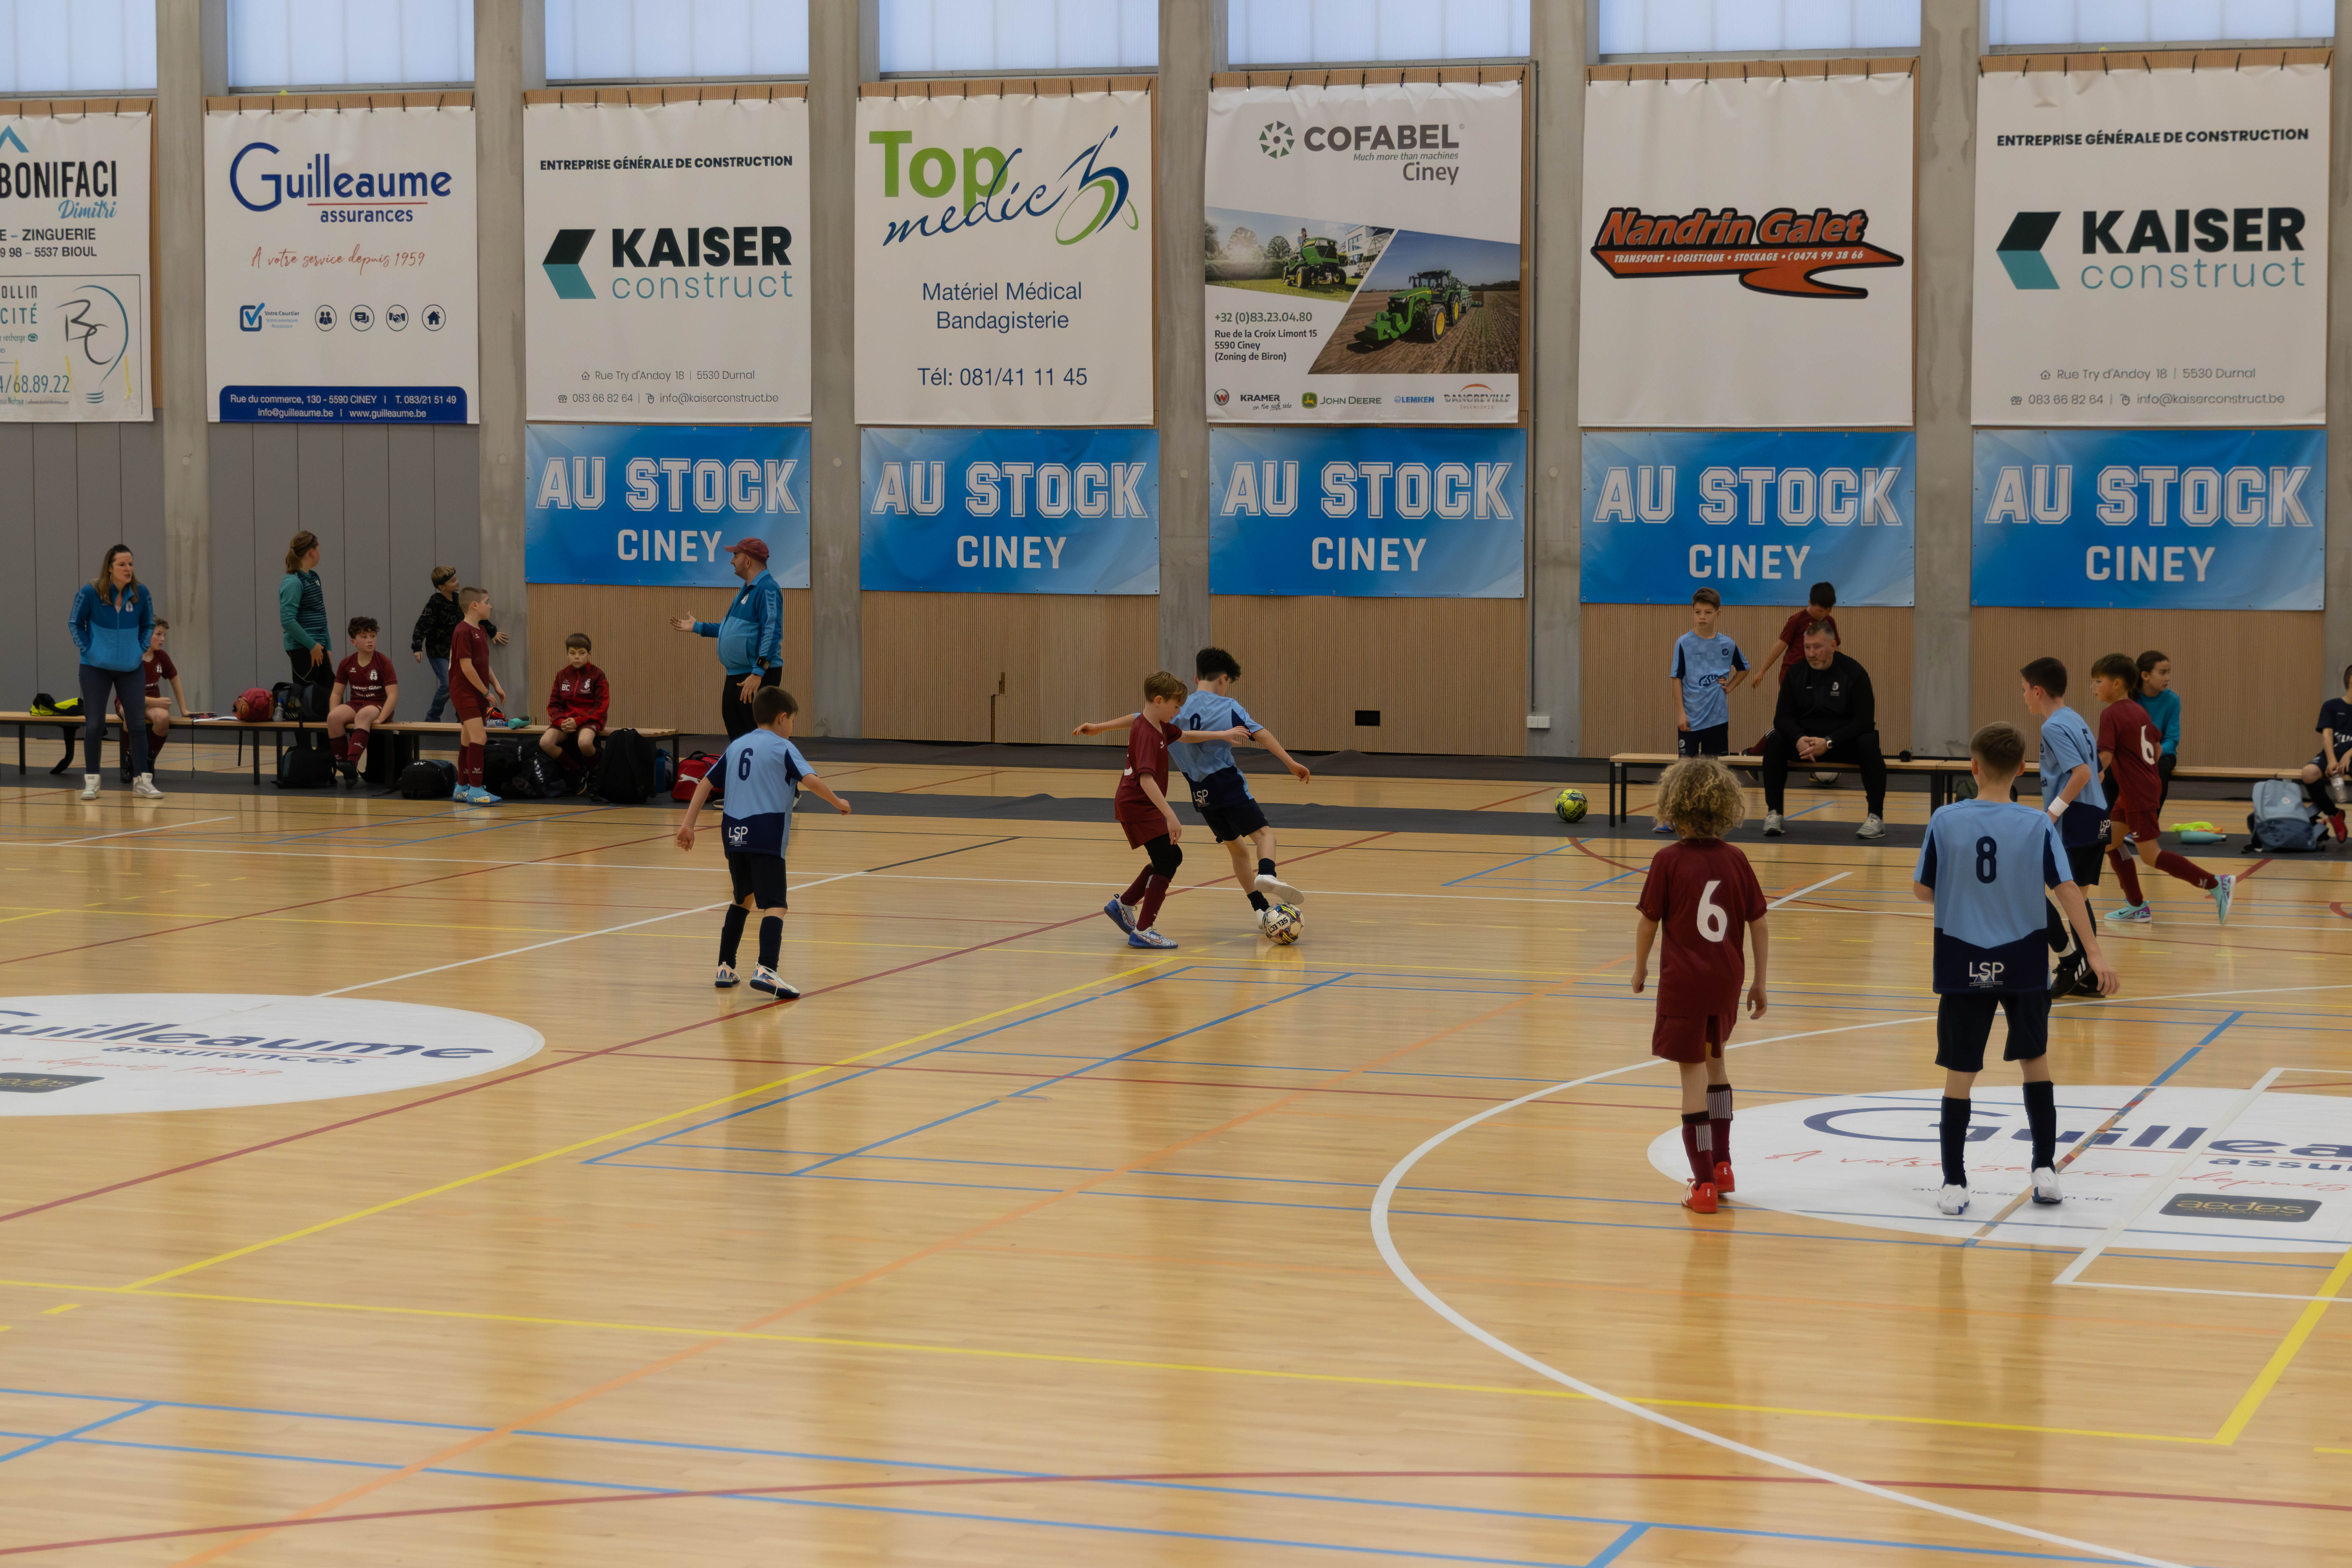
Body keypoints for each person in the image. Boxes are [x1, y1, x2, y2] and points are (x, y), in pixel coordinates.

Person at [1913, 721, 2118, 1218]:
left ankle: (1954, 1181)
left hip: (1962, 955)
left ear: (1973, 766)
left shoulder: (1945, 819)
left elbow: (1923, 889)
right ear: (2023, 769)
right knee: (2036, 1061)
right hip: (2024, 957)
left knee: (1961, 1071)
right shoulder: (2037, 824)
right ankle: (2045, 1170)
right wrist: (2093, 953)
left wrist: (1966, 896)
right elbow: (2066, 890)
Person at [1631, 758, 1769, 1216]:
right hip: (1726, 980)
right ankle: (1724, 1165)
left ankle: (1704, 1184)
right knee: (1717, 1065)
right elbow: (1759, 922)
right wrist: (1760, 981)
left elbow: (1648, 922)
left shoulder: (1667, 860)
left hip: (1684, 984)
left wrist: (1639, 969)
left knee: (1691, 1077)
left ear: (1674, 805)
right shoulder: (1736, 858)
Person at [675, 686, 851, 998]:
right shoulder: (783, 747)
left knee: (743, 899)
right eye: (793, 720)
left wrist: (688, 825)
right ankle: (767, 969)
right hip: (766, 832)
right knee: (776, 904)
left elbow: (705, 783)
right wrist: (838, 802)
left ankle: (725, 967)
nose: (792, 727)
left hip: (733, 833)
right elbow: (810, 781)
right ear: (782, 718)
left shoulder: (737, 746)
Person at [1071, 672, 1252, 951]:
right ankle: (1143, 930)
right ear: (1159, 701)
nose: (1178, 712)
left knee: (1170, 857)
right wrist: (1171, 816)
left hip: (1139, 804)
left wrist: (1221, 734)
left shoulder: (1156, 724)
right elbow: (1146, 780)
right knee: (1167, 861)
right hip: (1138, 805)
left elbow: (1184, 735)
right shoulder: (1147, 733)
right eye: (1176, 706)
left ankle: (1124, 905)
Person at [1157, 646, 1312, 933]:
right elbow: (1260, 734)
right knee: (1265, 836)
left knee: (1237, 850)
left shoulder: (1175, 710)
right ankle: (1267, 873)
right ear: (1224, 679)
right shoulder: (1229, 707)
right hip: (1227, 783)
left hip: (1200, 793)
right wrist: (1290, 763)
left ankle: (1259, 909)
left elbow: (1142, 721)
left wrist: (1099, 728)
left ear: (1196, 678)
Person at [2091, 653, 2231, 925]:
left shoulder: (2111, 714)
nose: (2094, 687)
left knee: (2151, 856)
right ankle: (2136, 906)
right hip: (2136, 790)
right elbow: (2156, 749)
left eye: (2098, 681)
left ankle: (2216, 884)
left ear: (2117, 684)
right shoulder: (2138, 710)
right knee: (2108, 842)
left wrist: (2086, 779)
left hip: (2138, 793)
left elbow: (2105, 756)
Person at [2020, 657, 2108, 998]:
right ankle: (2087, 975)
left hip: (2076, 819)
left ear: (2038, 691)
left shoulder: (2053, 726)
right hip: (2095, 814)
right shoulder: (2075, 717)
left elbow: (2083, 773)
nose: (2023, 696)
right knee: (2078, 898)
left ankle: (2078, 966)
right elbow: (2097, 772)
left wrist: (2052, 814)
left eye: (2024, 689)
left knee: (2051, 892)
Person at [1760, 622, 1885, 840]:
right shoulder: (1796, 673)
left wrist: (1829, 742)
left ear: (1834, 645)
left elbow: (1864, 721)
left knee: (1869, 742)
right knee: (1775, 741)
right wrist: (1798, 739)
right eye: (1807, 647)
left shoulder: (1854, 672)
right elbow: (1782, 717)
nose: (1811, 653)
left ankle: (1876, 817)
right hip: (1806, 745)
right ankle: (1774, 812)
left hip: (1841, 743)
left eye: (1817, 647)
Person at [669, 538, 784, 747]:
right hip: (737, 674)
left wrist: (759, 673)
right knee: (737, 735)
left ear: (748, 561)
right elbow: (730, 629)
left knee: (755, 737)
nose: (732, 561)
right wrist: (698, 627)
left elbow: (772, 632)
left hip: (755, 674)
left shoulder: (767, 588)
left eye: (735, 556)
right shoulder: (747, 589)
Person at [68, 542, 160, 801]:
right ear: (110, 568)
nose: (128, 569)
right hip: (95, 668)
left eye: (131, 564)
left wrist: (139, 649)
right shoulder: (90, 592)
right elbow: (75, 623)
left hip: (131, 668)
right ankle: (92, 782)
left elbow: (148, 625)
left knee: (138, 724)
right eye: (122, 564)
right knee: (95, 725)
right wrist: (90, 650)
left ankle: (143, 781)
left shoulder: (141, 593)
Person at [1664, 588, 1748, 833]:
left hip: (1717, 719)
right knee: (1684, 770)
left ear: (1718, 614)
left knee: (1715, 772)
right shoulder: (1684, 643)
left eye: (1708, 613)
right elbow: (1676, 678)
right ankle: (1672, 817)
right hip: (1691, 717)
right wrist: (1681, 713)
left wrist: (1729, 687)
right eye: (1698, 612)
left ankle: (1713, 818)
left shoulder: (1727, 644)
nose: (1702, 617)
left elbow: (1744, 668)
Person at [1746, 581, 1840, 785]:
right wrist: (1762, 671)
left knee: (1815, 721)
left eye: (1828, 610)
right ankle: (1753, 754)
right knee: (1790, 721)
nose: (1824, 614)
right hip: (1793, 678)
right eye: (1820, 610)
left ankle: (1814, 766)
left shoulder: (1829, 622)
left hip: (1818, 680)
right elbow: (1780, 646)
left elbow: (1834, 649)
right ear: (1810, 603)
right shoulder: (1798, 620)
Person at [410, 566, 508, 722]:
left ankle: (462, 718)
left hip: (455, 652)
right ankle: (432, 719)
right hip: (438, 651)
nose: (457, 582)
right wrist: (417, 647)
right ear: (442, 587)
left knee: (463, 684)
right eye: (453, 581)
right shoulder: (436, 602)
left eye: (456, 578)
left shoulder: (458, 600)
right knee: (447, 685)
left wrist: (492, 631)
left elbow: (476, 616)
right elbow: (423, 624)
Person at [447, 587, 508, 805]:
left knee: (468, 739)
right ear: (475, 605)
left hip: (476, 692)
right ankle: (475, 790)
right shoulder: (462, 631)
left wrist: (497, 686)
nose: (490, 606)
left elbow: (483, 664)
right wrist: (485, 692)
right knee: (480, 738)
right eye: (487, 602)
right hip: (464, 693)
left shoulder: (481, 630)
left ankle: (461, 787)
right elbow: (466, 667)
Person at [328, 617, 398, 786]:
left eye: (373, 636)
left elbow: (393, 695)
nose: (370, 641)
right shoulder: (347, 663)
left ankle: (352, 763)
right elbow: (336, 693)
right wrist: (334, 711)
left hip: (378, 705)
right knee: (333, 718)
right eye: (365, 637)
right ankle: (346, 769)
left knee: (363, 715)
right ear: (354, 641)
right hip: (356, 703)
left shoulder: (383, 662)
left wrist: (381, 718)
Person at [279, 531, 332, 720]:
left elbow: (321, 616)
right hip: (304, 649)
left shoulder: (314, 577)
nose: (320, 554)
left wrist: (327, 647)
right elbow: (288, 621)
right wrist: (312, 645)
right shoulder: (293, 582)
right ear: (311, 552)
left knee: (328, 696)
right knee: (305, 699)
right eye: (318, 549)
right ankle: (303, 740)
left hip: (318, 647)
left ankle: (326, 740)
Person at [2297, 663, 2352, 842]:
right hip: (2333, 754)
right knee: (2309, 773)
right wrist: (2332, 761)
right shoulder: (2332, 706)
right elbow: (2327, 735)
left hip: (2351, 756)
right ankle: (2334, 814)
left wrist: (2349, 754)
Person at [540, 633, 609, 775]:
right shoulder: (562, 675)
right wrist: (561, 722)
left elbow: (601, 706)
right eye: (572, 653)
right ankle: (578, 773)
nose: (577, 657)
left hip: (589, 720)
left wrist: (578, 721)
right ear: (567, 655)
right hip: (565, 721)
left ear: (589, 654)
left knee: (585, 743)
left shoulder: (597, 675)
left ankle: (598, 770)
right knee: (546, 743)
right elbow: (554, 705)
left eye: (581, 653)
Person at [125, 619, 185, 781]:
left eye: (164, 635)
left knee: (163, 717)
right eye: (158, 634)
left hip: (150, 702)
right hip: (128, 701)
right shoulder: (132, 655)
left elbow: (175, 679)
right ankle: (129, 759)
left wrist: (184, 710)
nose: (163, 639)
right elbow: (128, 694)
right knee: (131, 715)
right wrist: (155, 703)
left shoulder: (161, 656)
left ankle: (149, 760)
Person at [2135, 650, 2179, 809]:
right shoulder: (2131, 698)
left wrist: (2154, 753)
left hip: (2162, 755)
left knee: (2160, 772)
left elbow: (2172, 739)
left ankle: (2152, 820)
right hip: (2134, 753)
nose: (2168, 678)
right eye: (2162, 673)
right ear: (2145, 676)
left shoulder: (2172, 700)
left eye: (2169, 672)